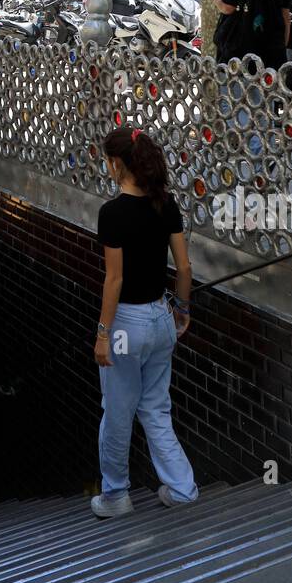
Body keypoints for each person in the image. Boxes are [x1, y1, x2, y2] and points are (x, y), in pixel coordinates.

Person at [93, 126, 197, 517]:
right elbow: (184, 268)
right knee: (155, 407)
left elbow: (114, 280)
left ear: (117, 163)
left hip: (126, 325)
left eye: (107, 159)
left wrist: (103, 334)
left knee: (117, 410)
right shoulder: (165, 204)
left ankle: (116, 496)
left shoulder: (112, 213)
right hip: (161, 318)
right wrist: (181, 310)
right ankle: (182, 488)